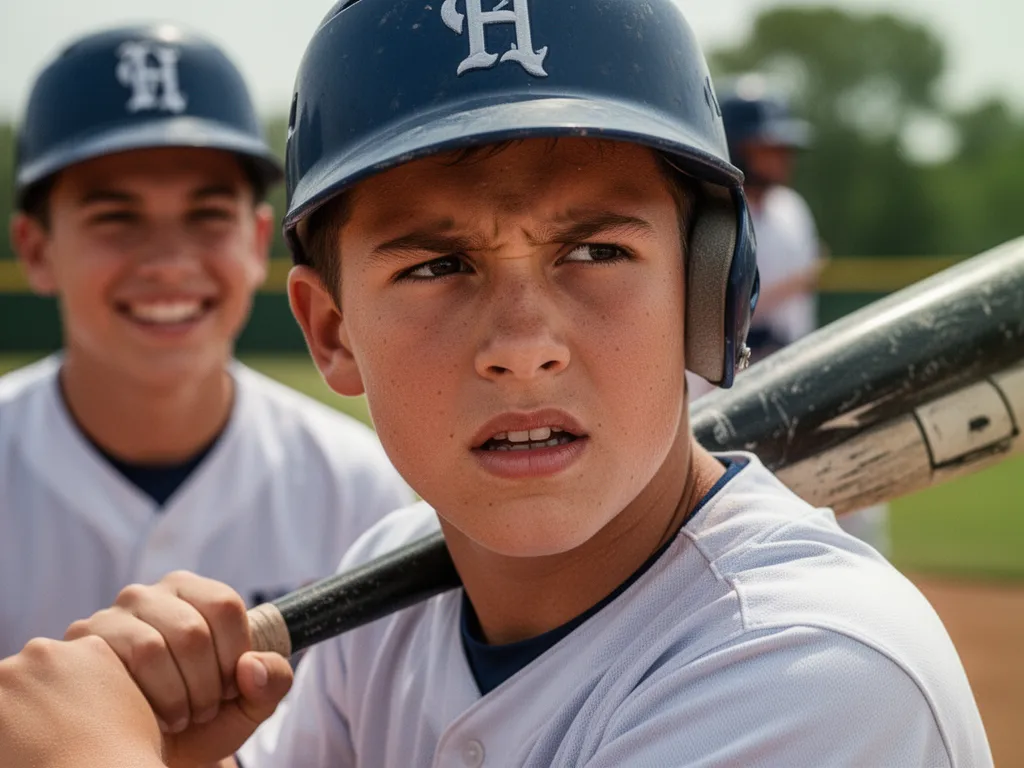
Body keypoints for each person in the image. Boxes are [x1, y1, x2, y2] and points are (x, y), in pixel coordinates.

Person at [0, 3, 991, 767]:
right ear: (332, 332)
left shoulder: (815, 672)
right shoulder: (388, 595)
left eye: (594, 249)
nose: (522, 346)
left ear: (708, 286)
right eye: (437, 267)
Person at [0, 23, 413, 659]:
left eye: (207, 215)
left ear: (255, 243)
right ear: (37, 249)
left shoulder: (359, 491)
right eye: (116, 218)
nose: (168, 261)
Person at [709, 78, 891, 556]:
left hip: (794, 379)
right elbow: (713, 313)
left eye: (782, 145)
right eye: (767, 144)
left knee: (860, 499)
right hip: (723, 399)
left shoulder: (793, 210)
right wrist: (796, 281)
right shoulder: (710, 214)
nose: (781, 155)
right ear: (736, 145)